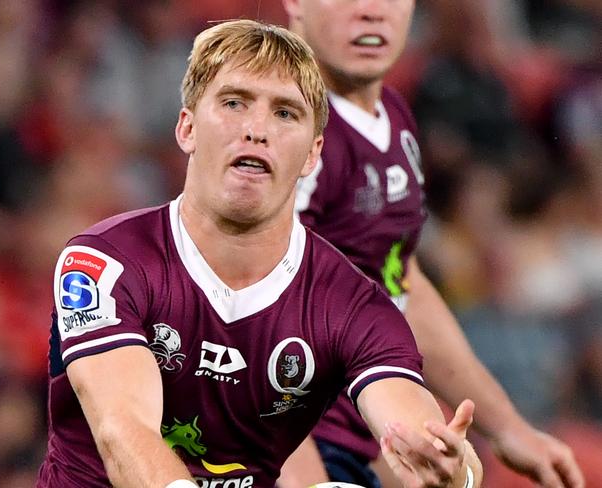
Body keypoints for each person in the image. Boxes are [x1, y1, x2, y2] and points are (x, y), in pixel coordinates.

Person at [35, 19, 483, 488]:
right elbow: (123, 433)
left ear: (313, 155)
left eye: (285, 113)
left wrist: (456, 472)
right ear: (187, 128)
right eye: (234, 103)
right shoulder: (104, 263)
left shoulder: (352, 305)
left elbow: (416, 422)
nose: (256, 130)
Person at [278, 1, 585, 488]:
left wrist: (507, 428)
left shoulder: (393, 118)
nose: (371, 12)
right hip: (281, 447)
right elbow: (243, 316)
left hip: (352, 441)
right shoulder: (284, 123)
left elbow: (400, 284)